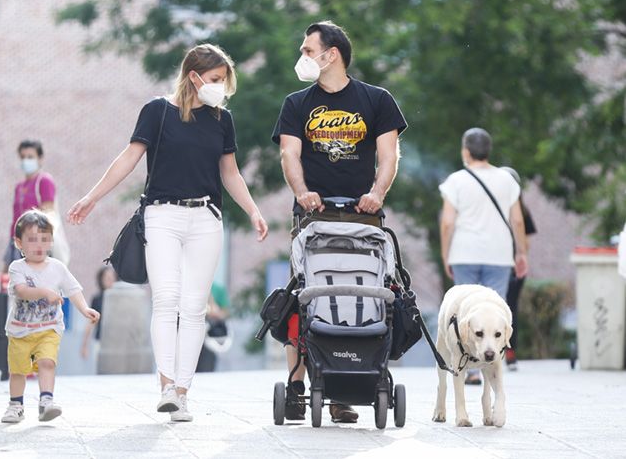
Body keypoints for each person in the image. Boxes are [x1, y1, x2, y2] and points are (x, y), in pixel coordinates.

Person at [67, 44, 268, 423]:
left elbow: (230, 172)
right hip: (162, 217)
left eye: (223, 81)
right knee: (166, 300)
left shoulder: (222, 120)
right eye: (214, 79)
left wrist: (254, 210)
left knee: (194, 308)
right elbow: (129, 157)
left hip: (206, 219)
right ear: (193, 76)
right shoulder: (157, 111)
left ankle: (183, 393)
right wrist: (92, 197)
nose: (220, 87)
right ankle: (165, 387)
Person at [272, 21, 407, 423]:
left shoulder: (376, 100)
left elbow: (389, 157)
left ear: (331, 55)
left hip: (363, 216)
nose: (303, 57)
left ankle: (352, 382)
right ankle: (298, 383)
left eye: (308, 50)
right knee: (302, 297)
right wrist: (301, 192)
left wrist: (377, 194)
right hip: (313, 217)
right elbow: (289, 156)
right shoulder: (296, 104)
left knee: (364, 293)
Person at [439, 128, 528, 385]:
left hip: (464, 253)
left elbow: (447, 223)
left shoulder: (456, 180)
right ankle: (492, 367)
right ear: (489, 150)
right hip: (499, 255)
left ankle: (472, 370)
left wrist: (446, 254)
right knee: (494, 313)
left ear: (465, 151)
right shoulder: (507, 180)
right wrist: (521, 252)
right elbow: (518, 221)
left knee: (467, 314)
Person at [1, 210, 100, 423]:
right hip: (20, 331)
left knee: (47, 363)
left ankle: (46, 401)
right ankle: (15, 405)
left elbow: (73, 290)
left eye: (45, 239)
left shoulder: (57, 268)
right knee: (18, 371)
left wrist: (84, 309)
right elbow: (21, 291)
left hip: (48, 329)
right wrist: (45, 293)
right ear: (19, 242)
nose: (39, 245)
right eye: (33, 239)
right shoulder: (17, 267)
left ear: (51, 242)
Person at [500, 166, 537, 371]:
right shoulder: (521, 208)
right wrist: (521, 256)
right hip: (515, 264)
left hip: (498, 261)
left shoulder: (493, 205)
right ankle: (511, 353)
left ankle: (495, 349)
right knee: (511, 307)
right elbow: (527, 241)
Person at [3, 140, 57, 272]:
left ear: (40, 159)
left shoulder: (44, 181)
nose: (26, 160)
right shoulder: (19, 186)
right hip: (16, 241)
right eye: (23, 157)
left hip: (34, 243)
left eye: (30, 157)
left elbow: (48, 213)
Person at [80, 265, 117, 362]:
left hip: (117, 342)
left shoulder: (119, 298)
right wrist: (84, 345)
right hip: (100, 340)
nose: (110, 280)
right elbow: (90, 323)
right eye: (107, 278)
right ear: (101, 279)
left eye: (112, 277)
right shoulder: (97, 299)